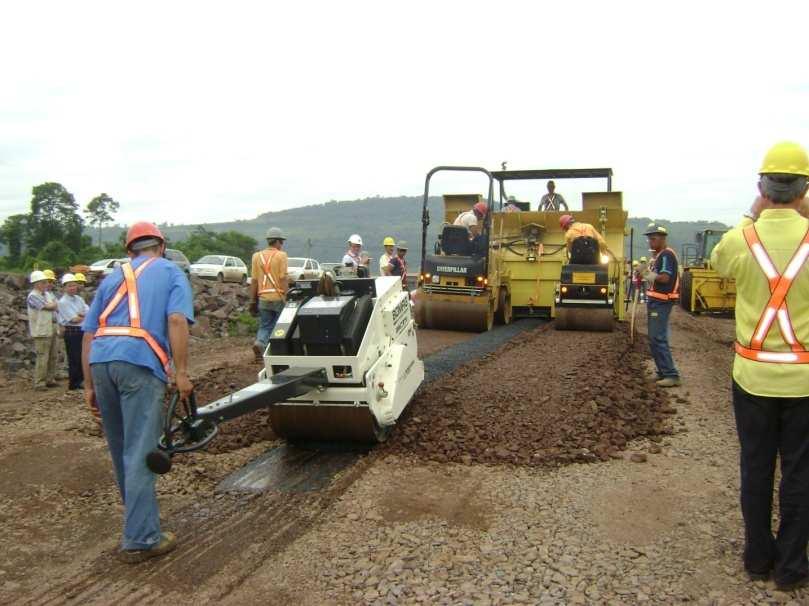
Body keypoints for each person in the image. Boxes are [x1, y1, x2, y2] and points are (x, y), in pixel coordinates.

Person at [711, 141, 809, 591]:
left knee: (756, 469)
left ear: (762, 187)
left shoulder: (741, 240)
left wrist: (752, 214)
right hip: (804, 382)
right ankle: (791, 568)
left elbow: (718, 262)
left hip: (751, 378)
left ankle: (756, 558)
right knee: (800, 475)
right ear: (804, 189)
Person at [82, 221, 193, 563]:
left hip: (101, 362)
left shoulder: (111, 277)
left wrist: (87, 386)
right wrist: (182, 373)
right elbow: (176, 321)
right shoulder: (171, 272)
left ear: (130, 250)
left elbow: (88, 333)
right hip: (139, 364)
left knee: (121, 450)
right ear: (160, 246)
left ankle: (138, 523)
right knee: (141, 449)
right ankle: (142, 538)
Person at [641, 224, 681, 387]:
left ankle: (671, 374)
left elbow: (664, 278)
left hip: (661, 302)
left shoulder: (666, 255)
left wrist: (644, 273)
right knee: (654, 338)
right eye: (649, 239)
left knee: (658, 337)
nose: (650, 242)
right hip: (656, 301)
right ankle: (662, 372)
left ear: (663, 238)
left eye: (654, 238)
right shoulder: (659, 256)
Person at [250, 227, 289, 360]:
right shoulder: (281, 255)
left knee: (265, 325)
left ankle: (259, 343)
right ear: (277, 242)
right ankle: (274, 352)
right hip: (278, 297)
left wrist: (252, 301)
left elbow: (254, 281)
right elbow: (283, 278)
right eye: (281, 242)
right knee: (279, 326)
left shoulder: (256, 256)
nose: (282, 245)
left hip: (263, 298)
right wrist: (287, 296)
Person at [27, 270, 58, 390]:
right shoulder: (33, 296)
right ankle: (40, 382)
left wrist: (53, 305)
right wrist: (52, 305)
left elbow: (55, 305)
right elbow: (48, 306)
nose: (46, 284)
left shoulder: (47, 294)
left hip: (51, 327)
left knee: (53, 355)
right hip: (41, 330)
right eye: (44, 282)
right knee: (43, 356)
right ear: (36, 283)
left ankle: (50, 378)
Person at [57, 273, 88, 390]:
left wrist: (81, 315)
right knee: (74, 357)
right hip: (72, 331)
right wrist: (82, 315)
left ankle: (81, 380)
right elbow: (74, 319)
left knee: (81, 356)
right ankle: (74, 383)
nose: (72, 288)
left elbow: (87, 311)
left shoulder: (79, 299)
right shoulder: (63, 302)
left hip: (81, 330)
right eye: (69, 286)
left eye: (74, 285)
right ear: (64, 288)